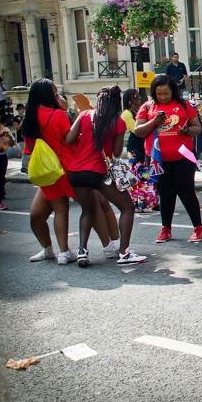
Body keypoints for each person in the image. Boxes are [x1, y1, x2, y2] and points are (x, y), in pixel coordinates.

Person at [65, 86, 146, 267]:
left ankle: (82, 251)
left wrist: (86, 139)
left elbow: (69, 138)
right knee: (127, 207)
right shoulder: (117, 122)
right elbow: (116, 152)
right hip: (97, 171)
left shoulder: (85, 115)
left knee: (88, 210)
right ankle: (124, 253)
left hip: (75, 171)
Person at [134, 74, 202, 243]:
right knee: (165, 194)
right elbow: (138, 131)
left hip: (183, 156)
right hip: (157, 158)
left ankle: (198, 227)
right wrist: (153, 122)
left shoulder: (184, 105)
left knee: (186, 191)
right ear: (154, 93)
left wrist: (186, 131)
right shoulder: (147, 107)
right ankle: (166, 228)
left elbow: (197, 127)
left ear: (173, 91)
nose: (163, 97)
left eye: (166, 93)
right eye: (159, 94)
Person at [22, 79, 81, 264]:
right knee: (93, 207)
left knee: (48, 212)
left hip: (45, 171)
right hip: (66, 167)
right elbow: (72, 138)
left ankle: (54, 250)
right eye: (56, 94)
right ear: (48, 96)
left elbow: (30, 147)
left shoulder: (30, 117)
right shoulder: (58, 114)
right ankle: (110, 246)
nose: (59, 96)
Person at [121, 88, 159, 212]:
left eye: (138, 96)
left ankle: (152, 202)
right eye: (135, 97)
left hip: (145, 147)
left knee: (148, 175)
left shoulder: (141, 111)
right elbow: (137, 130)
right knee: (139, 176)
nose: (138, 99)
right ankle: (140, 203)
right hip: (135, 150)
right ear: (128, 99)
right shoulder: (127, 113)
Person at [0, 110, 15, 210]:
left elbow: (12, 144)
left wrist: (8, 137)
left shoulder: (5, 129)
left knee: (0, 178)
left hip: (2, 156)